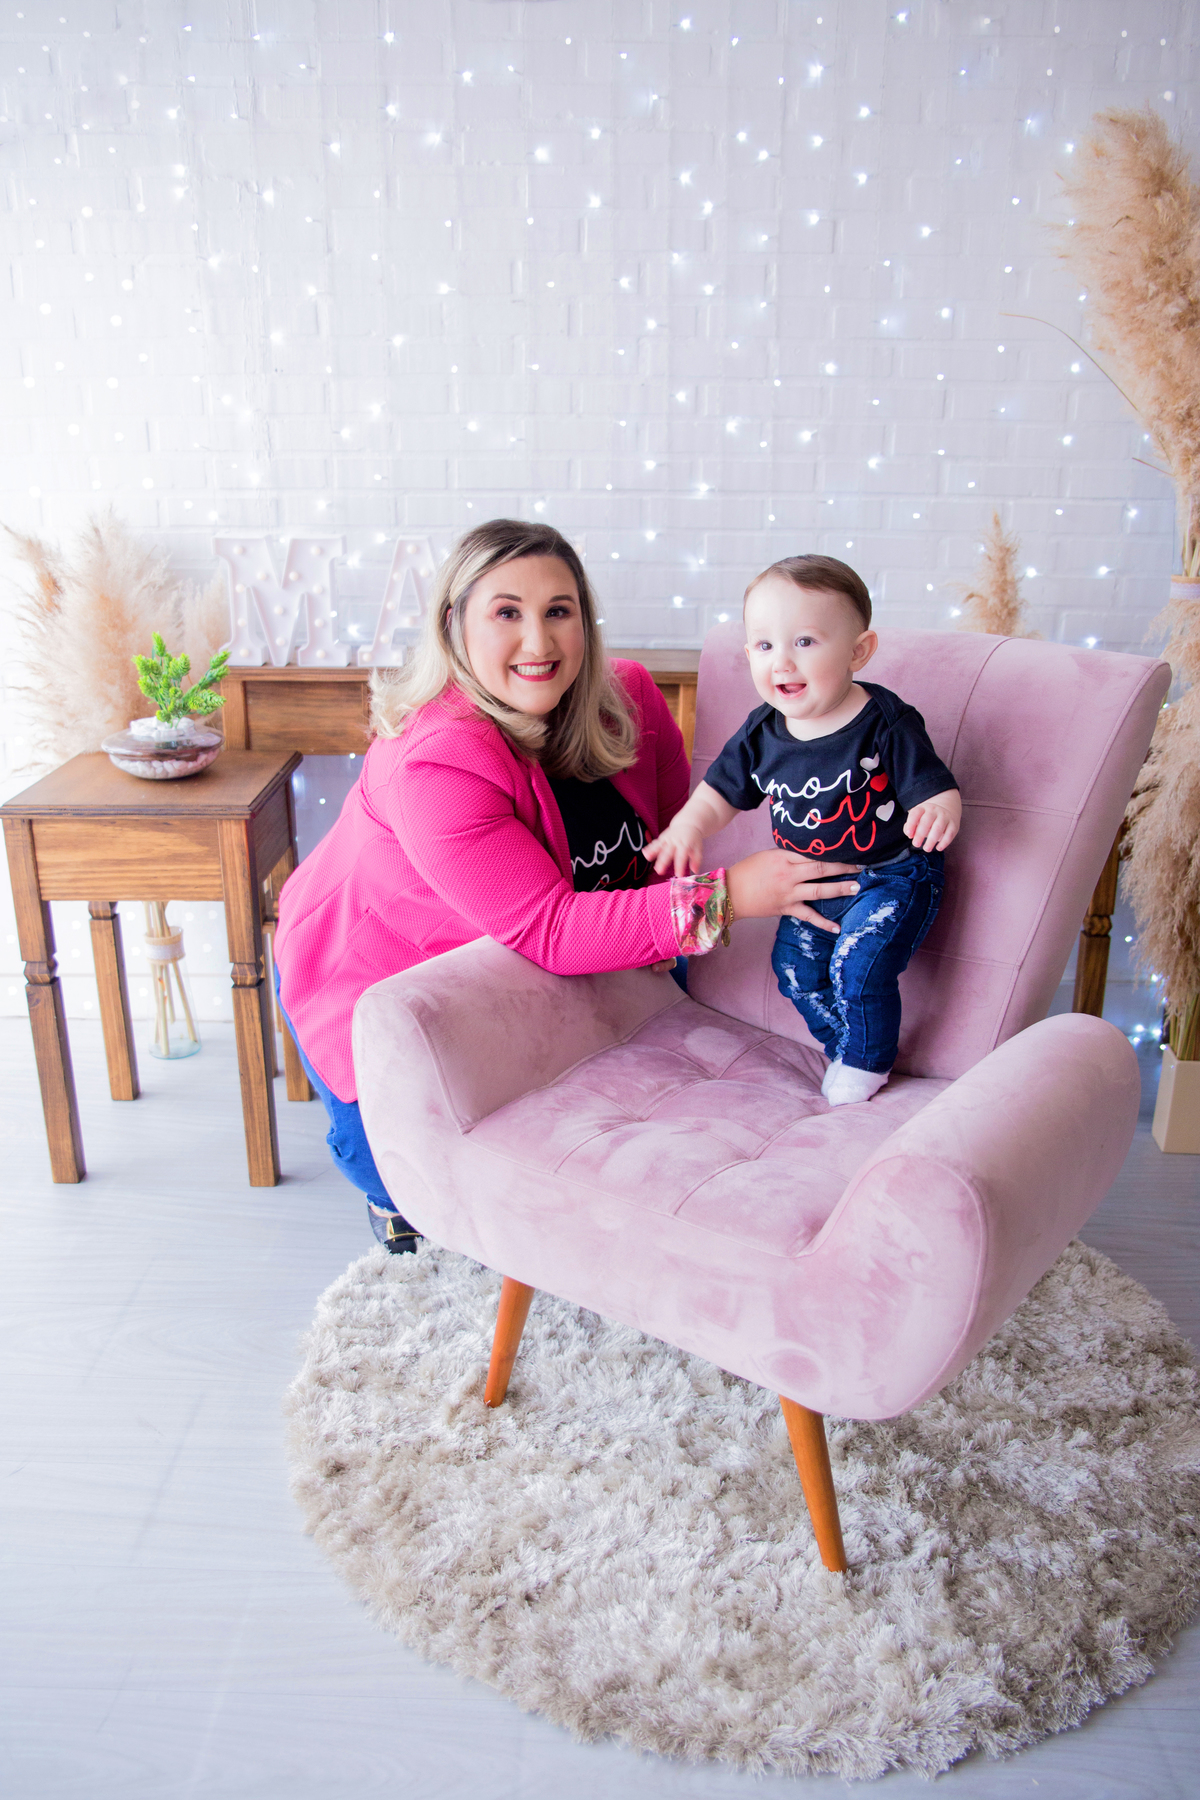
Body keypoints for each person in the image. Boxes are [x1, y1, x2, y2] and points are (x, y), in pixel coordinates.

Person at [273, 521, 863, 1248]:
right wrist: (732, 896)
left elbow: (661, 855)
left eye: (559, 610)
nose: (539, 642)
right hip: (381, 963)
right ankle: (382, 1195)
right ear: (454, 627)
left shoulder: (631, 698)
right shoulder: (435, 762)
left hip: (535, 953)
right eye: (507, 612)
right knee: (403, 1176)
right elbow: (551, 930)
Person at [646, 554, 960, 1107]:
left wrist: (940, 805)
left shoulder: (885, 721)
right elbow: (721, 792)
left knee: (857, 966)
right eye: (765, 647)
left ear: (859, 651)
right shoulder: (763, 730)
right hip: (808, 886)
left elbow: (932, 785)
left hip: (891, 876)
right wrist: (688, 826)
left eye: (806, 642)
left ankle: (867, 1063)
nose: (782, 662)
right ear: (748, 655)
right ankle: (846, 1043)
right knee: (793, 970)